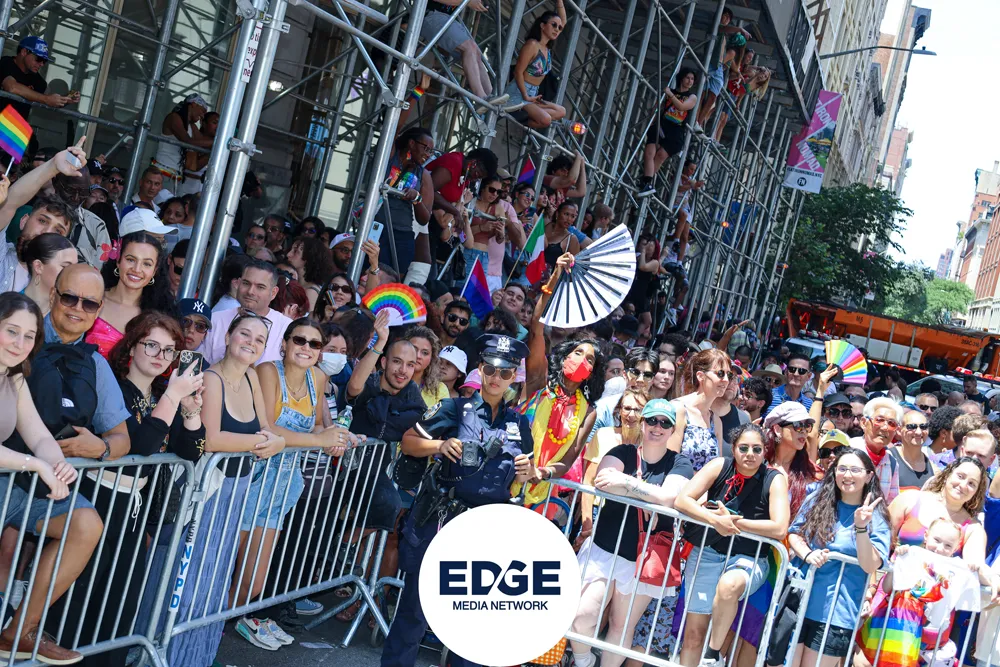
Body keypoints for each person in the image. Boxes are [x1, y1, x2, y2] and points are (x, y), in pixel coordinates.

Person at [382, 334, 536, 667]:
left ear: (514, 377)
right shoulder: (454, 408)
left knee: (472, 622)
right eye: (490, 369)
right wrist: (438, 446)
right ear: (480, 369)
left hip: (487, 531)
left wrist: (528, 471)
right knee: (416, 609)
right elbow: (409, 441)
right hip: (442, 521)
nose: (496, 378)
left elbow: (523, 474)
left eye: (505, 372)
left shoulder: (519, 423)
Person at [70, 311, 204, 667]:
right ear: (131, 346)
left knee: (120, 604)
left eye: (169, 350)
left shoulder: (162, 397)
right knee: (83, 598)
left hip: (136, 508)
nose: (161, 356)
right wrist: (173, 395)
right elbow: (141, 445)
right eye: (152, 345)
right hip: (97, 501)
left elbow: (192, 452)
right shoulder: (112, 388)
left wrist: (191, 411)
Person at [167, 311, 285, 665]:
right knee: (189, 578)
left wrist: (274, 439)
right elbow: (213, 439)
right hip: (208, 489)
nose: (251, 343)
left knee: (216, 576)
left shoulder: (252, 376)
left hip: (238, 490)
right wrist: (265, 443)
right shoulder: (211, 377)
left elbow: (266, 427)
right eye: (245, 334)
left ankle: (198, 657)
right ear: (228, 335)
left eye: (259, 339)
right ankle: (172, 656)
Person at [233, 318, 352, 647]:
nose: (306, 348)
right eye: (300, 340)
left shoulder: (318, 378)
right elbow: (268, 427)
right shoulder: (268, 371)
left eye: (315, 344)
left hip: (283, 486)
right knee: (221, 570)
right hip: (251, 479)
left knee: (252, 584)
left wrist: (338, 438)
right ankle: (199, 639)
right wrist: (318, 440)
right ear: (284, 343)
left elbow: (316, 430)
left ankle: (216, 631)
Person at [0, 293, 100, 665]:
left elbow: (39, 435)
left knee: (84, 523)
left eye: (29, 336)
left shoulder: (14, 376)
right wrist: (36, 465)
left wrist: (57, 464)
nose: (20, 343)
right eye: (11, 331)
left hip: (5, 488)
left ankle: (18, 633)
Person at [571, 399, 693, 667]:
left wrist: (625, 481)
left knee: (621, 625)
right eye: (652, 420)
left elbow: (670, 497)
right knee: (581, 616)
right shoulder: (622, 451)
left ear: (672, 430)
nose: (657, 427)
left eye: (665, 423)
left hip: (645, 559)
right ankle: (584, 662)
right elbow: (603, 481)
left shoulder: (679, 463)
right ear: (642, 422)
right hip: (604, 548)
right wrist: (650, 496)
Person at [674, 423, 789, 667]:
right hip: (707, 553)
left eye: (757, 449)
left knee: (729, 585)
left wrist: (735, 523)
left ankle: (712, 654)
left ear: (765, 451)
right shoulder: (719, 465)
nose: (750, 454)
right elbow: (682, 500)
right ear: (734, 448)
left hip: (749, 559)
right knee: (693, 635)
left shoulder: (775, 479)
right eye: (744, 448)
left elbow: (780, 528)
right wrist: (714, 520)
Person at [784, 448, 890, 667]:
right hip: (798, 601)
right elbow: (795, 533)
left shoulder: (876, 515)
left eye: (855, 470)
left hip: (837, 613)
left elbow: (870, 564)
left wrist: (861, 527)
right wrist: (808, 554)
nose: (847, 475)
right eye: (842, 469)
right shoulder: (818, 499)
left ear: (869, 476)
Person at [83, 231, 172, 359]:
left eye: (147, 264)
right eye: (131, 260)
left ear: (154, 271)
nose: (137, 269)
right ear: (118, 261)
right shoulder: (92, 299)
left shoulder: (159, 315)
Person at [201, 259, 293, 365]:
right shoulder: (215, 320)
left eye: (260, 287)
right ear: (238, 284)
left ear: (273, 293)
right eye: (246, 283)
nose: (250, 291)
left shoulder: (287, 328)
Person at [370, 127, 435, 274]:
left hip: (402, 234)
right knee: (370, 273)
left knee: (393, 279)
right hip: (377, 226)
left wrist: (416, 198)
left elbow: (424, 219)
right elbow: (395, 126)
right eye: (426, 148)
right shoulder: (391, 156)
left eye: (431, 151)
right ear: (411, 143)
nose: (428, 154)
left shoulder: (423, 174)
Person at [637, 68, 698, 198]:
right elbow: (658, 108)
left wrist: (670, 94)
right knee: (649, 153)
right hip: (662, 125)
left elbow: (681, 107)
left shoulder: (691, 97)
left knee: (660, 156)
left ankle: (646, 181)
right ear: (682, 78)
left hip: (676, 130)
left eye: (692, 79)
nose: (690, 81)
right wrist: (652, 121)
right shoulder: (669, 93)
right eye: (688, 78)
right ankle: (646, 182)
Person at [506, 5, 568, 129]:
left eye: (559, 27)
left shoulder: (546, 48)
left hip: (533, 94)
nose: (557, 29)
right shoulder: (532, 45)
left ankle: (526, 115)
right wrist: (525, 95)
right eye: (553, 25)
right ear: (542, 25)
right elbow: (518, 72)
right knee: (546, 119)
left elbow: (563, 21)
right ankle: (522, 117)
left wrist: (560, 2)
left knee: (561, 111)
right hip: (518, 93)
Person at [669, 348, 727, 472]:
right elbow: (669, 461)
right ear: (701, 376)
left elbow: (717, 469)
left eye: (729, 375)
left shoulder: (716, 421)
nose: (726, 380)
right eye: (720, 373)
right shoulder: (678, 409)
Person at [695, 9, 751, 131]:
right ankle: (695, 121)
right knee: (702, 92)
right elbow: (723, 28)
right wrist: (740, 29)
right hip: (711, 63)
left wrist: (739, 73)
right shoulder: (716, 27)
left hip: (719, 67)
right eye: (724, 16)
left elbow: (730, 61)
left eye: (728, 18)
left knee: (713, 97)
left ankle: (699, 122)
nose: (725, 19)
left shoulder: (725, 39)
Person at [763, 401, 822, 516]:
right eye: (797, 425)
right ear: (778, 430)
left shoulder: (813, 473)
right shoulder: (760, 465)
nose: (804, 431)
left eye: (807, 426)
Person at [0, 36, 75, 122]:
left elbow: (51, 100)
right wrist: (47, 99)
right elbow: (11, 87)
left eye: (44, 61)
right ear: (24, 52)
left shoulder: (38, 80)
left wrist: (68, 97)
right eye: (39, 59)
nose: (42, 64)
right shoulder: (5, 63)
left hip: (13, 127)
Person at [21, 232, 76, 315]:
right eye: (65, 266)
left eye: (74, 268)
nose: (73, 274)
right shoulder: (9, 308)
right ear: (38, 266)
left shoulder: (68, 315)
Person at [402, 326, 449, 407]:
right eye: (414, 349)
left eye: (425, 353)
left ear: (432, 358)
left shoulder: (439, 390)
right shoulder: (390, 379)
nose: (418, 356)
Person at [892, 409, 937, 491]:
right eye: (911, 427)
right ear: (899, 430)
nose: (918, 432)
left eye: (923, 427)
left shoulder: (934, 469)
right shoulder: (889, 459)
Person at [286, 236, 335, 311]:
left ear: (308, 257)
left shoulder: (311, 292)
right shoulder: (299, 284)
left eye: (295, 251)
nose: (288, 254)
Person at [178, 110, 219, 196]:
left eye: (220, 123)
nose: (218, 126)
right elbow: (194, 167)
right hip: (186, 184)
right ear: (203, 123)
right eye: (214, 123)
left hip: (204, 188)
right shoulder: (194, 137)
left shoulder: (218, 144)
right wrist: (212, 149)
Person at [762, 353, 813, 418]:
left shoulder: (809, 404)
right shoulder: (769, 395)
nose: (796, 374)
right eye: (792, 369)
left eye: (801, 371)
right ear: (786, 372)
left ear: (809, 376)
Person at [925, 404, 961, 469]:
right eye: (958, 432)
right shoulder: (921, 454)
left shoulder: (959, 459)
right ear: (943, 433)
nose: (962, 437)